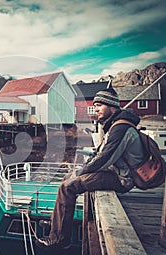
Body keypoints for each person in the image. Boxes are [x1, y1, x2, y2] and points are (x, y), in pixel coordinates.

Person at [36, 87, 145, 252]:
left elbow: (104, 159)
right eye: (95, 105)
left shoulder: (121, 128)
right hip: (114, 171)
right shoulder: (115, 125)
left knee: (68, 187)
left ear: (112, 106)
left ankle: (59, 239)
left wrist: (80, 172)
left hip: (123, 178)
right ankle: (57, 224)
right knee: (67, 178)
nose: (96, 109)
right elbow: (99, 153)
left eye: (100, 105)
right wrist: (79, 170)